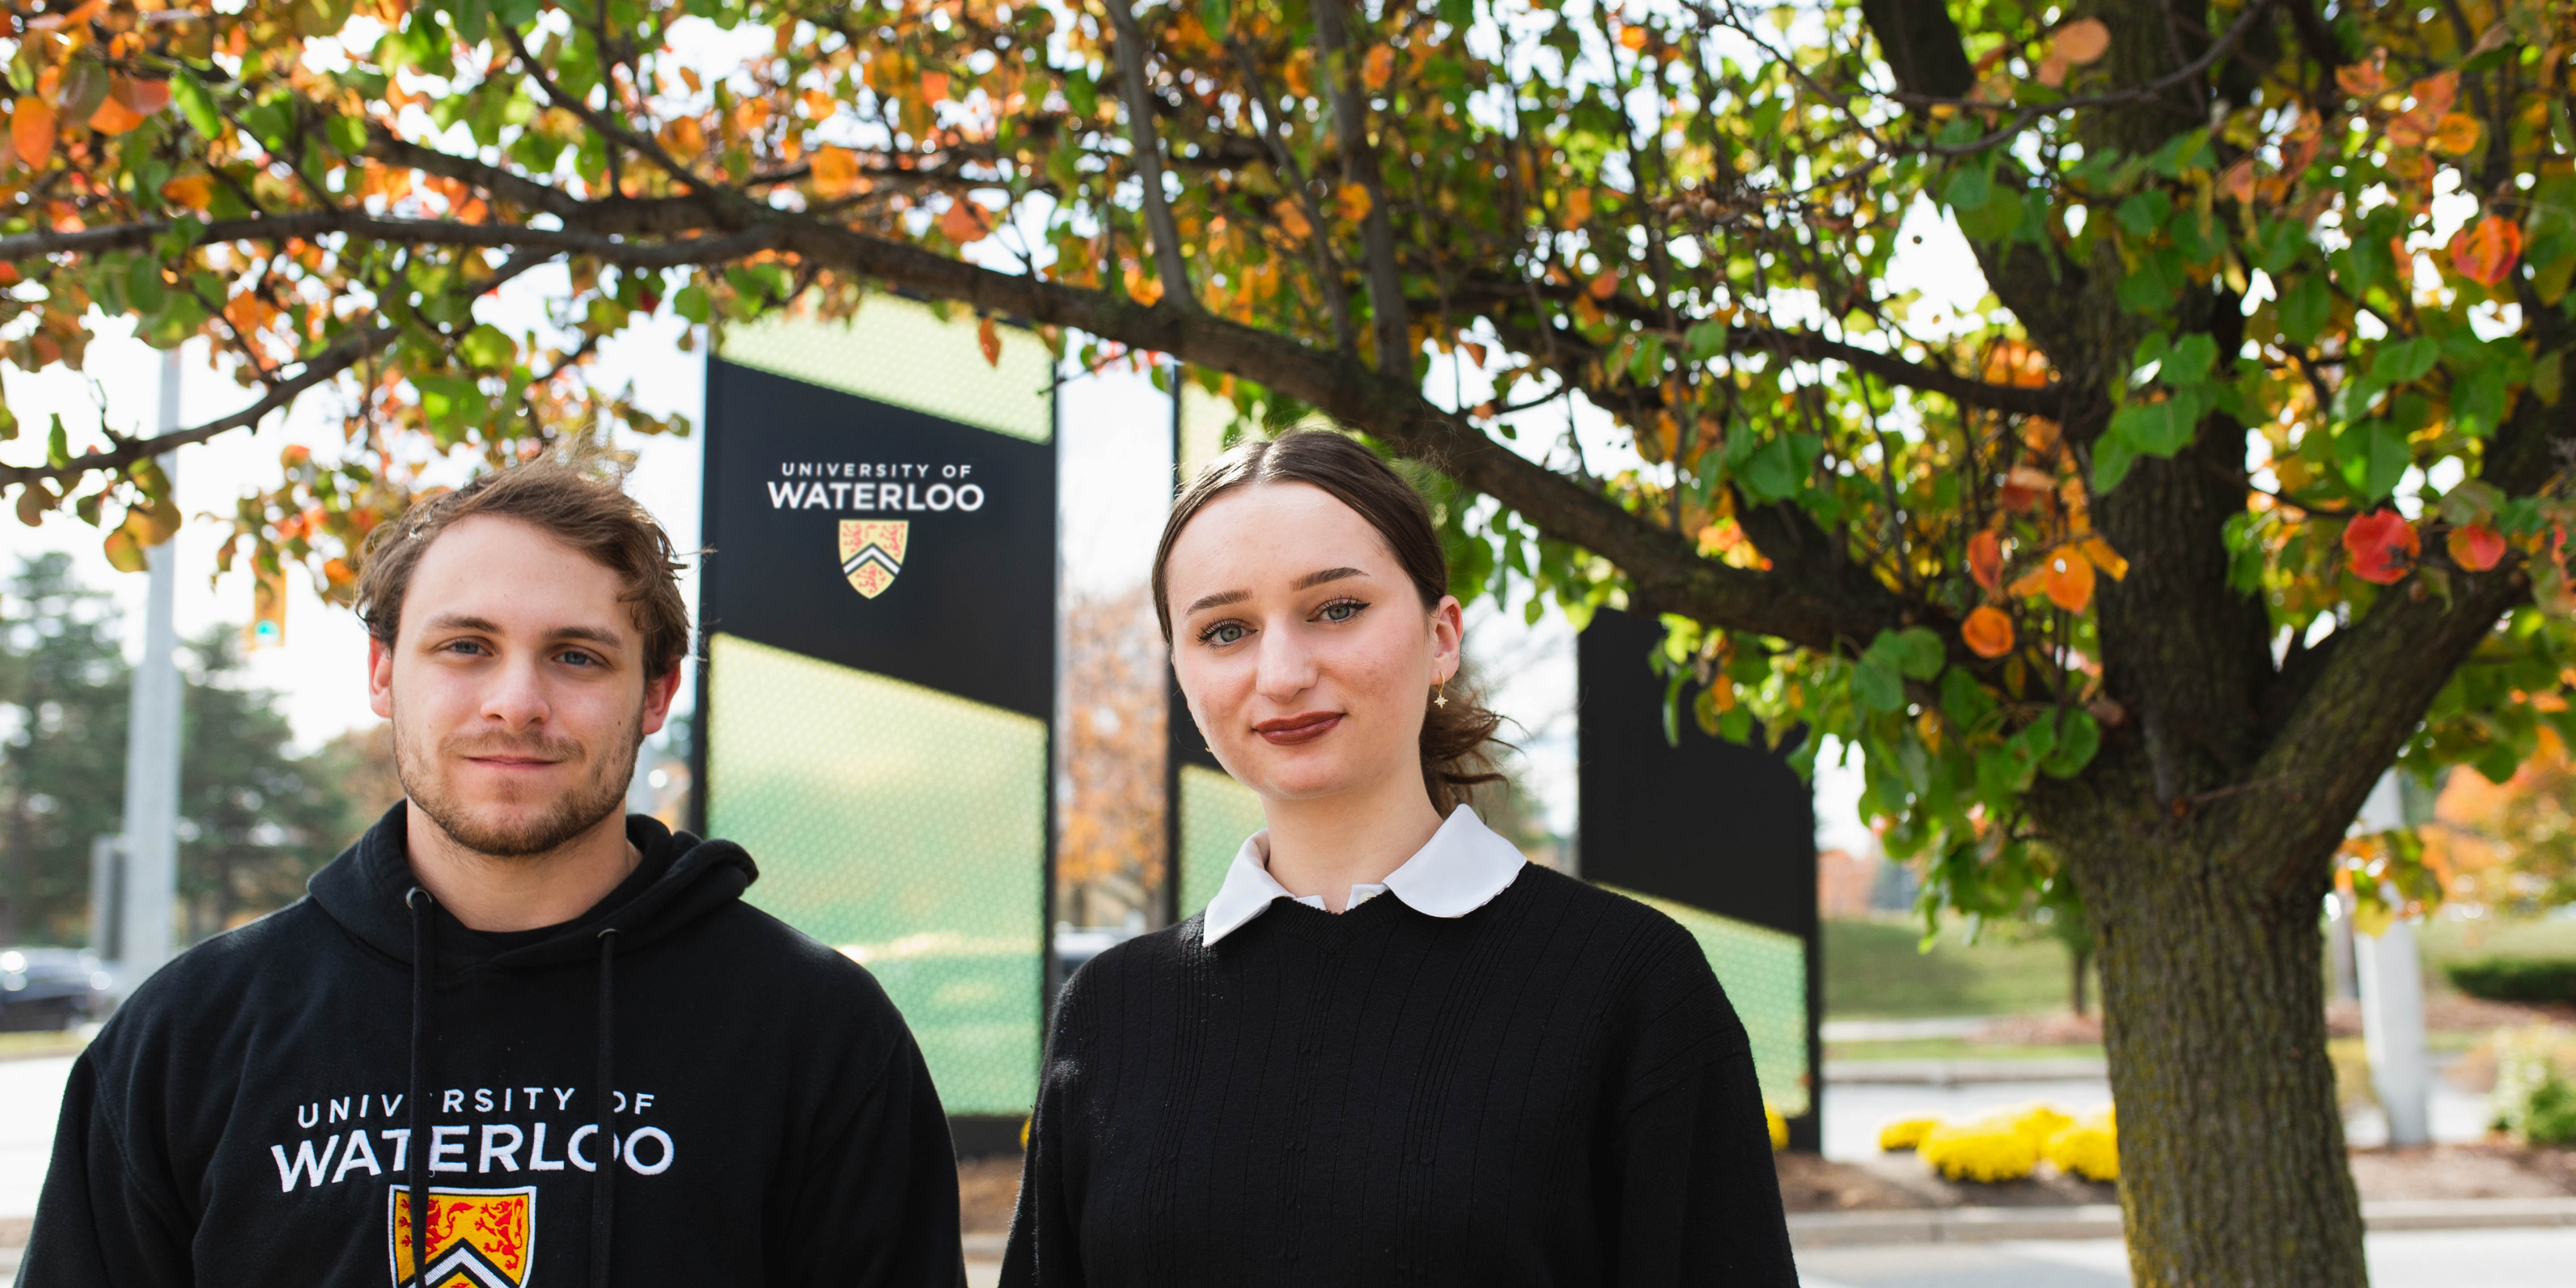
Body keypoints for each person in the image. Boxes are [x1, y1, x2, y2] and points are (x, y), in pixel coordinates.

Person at [23, 462, 964, 1287]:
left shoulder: (816, 1034)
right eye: (466, 646)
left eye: (576, 655)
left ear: (657, 692)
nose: (517, 704)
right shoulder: (189, 1036)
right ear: (385, 673)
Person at [1001, 431, 1796, 1285]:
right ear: (1182, 672)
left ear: (1442, 636)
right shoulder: (1113, 1012)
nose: (1282, 672)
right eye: (1225, 630)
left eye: (1337, 608)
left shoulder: (1633, 987)